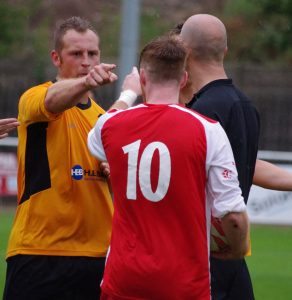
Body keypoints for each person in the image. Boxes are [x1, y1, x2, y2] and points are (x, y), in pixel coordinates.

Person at [88, 35, 249, 300]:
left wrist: (128, 94)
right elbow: (231, 214)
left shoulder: (110, 126)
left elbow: (102, 126)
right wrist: (238, 249)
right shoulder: (208, 130)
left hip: (123, 280)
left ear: (142, 79)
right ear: (184, 79)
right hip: (183, 284)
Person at [3, 16, 117, 300]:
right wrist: (84, 83)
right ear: (56, 57)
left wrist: (114, 173)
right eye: (76, 54)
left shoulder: (103, 119)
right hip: (40, 252)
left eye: (92, 54)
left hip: (98, 254)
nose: (86, 61)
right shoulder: (35, 97)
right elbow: (54, 100)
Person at [179, 14, 259, 300]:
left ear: (184, 50)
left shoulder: (199, 114)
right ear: (224, 51)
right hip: (234, 257)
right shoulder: (246, 106)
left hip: (201, 260)